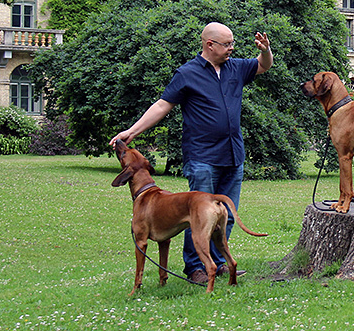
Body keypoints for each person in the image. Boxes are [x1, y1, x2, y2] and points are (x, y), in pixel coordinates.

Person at [109, 22, 272, 284]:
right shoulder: (187, 74)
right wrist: (132, 131)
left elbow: (263, 65)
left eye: (232, 43)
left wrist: (265, 50)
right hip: (202, 157)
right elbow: (162, 105)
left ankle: (218, 264)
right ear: (210, 45)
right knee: (195, 216)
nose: (232, 48)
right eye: (227, 44)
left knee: (224, 216)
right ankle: (195, 268)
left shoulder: (236, 68)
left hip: (233, 155)